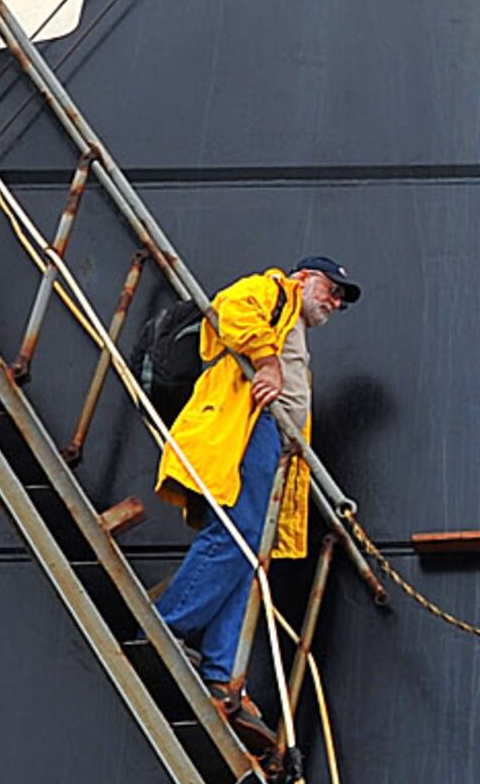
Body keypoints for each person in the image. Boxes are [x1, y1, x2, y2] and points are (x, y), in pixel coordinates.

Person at [151, 257, 360, 720]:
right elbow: (231, 309)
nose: (335, 301)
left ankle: (222, 672)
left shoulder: (296, 334)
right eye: (333, 289)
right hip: (250, 432)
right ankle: (167, 625)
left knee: (251, 561)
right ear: (304, 278)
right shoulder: (274, 291)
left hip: (275, 447)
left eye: (341, 299)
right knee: (235, 535)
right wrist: (266, 364)